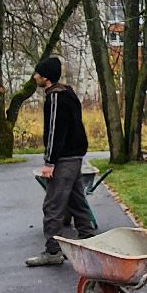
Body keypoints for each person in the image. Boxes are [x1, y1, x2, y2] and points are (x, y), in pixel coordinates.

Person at [25, 56, 97, 267]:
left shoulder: (55, 98)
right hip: (75, 156)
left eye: (37, 73)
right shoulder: (68, 93)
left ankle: (53, 251)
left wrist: (49, 162)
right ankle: (89, 241)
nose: (35, 76)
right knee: (76, 200)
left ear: (45, 77)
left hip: (64, 158)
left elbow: (56, 131)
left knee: (53, 205)